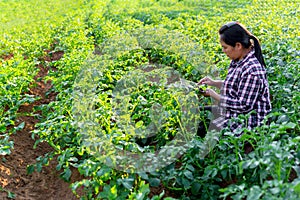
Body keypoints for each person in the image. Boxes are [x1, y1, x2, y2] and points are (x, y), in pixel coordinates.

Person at [197, 21, 272, 136]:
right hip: (234, 114)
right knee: (198, 113)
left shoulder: (252, 70)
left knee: (201, 125)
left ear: (238, 45)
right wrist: (214, 83)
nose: (223, 51)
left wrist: (214, 95)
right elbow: (238, 86)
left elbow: (243, 106)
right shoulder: (239, 59)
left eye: (225, 47)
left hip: (246, 124)